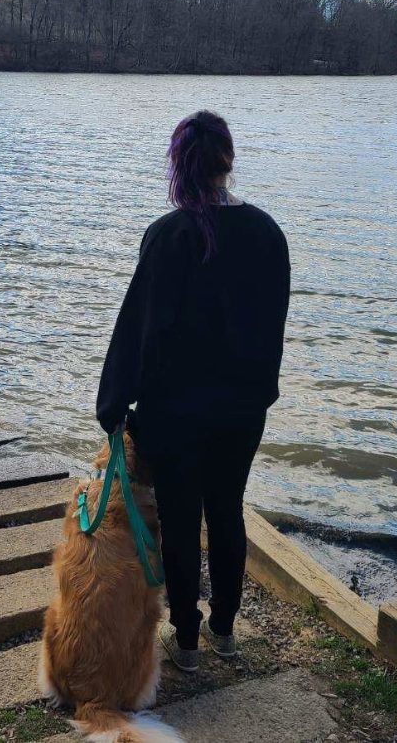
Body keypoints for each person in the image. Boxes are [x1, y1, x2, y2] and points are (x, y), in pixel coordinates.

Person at [96, 109, 290, 672]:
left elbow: (137, 329)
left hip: (173, 415)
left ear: (179, 164)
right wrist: (259, 395)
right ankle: (226, 632)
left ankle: (186, 643)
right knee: (228, 511)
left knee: (181, 520)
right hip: (239, 412)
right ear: (228, 161)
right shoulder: (267, 233)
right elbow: (270, 328)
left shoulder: (167, 235)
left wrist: (113, 405)